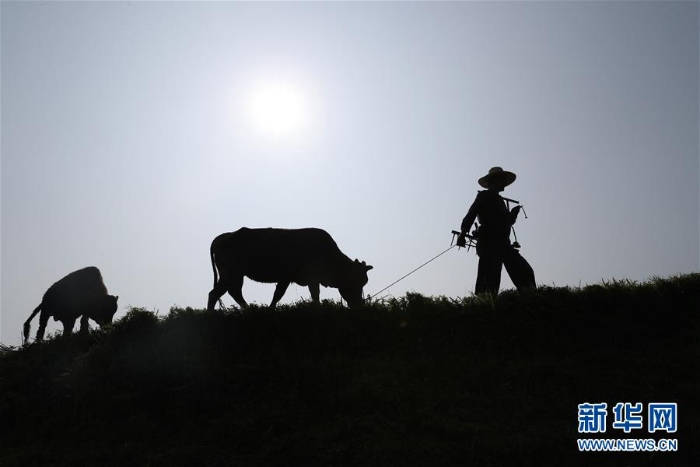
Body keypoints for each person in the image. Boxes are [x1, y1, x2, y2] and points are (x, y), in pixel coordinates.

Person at [457, 166, 533, 295]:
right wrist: (463, 234)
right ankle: (484, 304)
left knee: (524, 270)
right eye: (501, 179)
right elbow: (472, 213)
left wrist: (513, 215)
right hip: (489, 243)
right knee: (490, 278)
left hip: (503, 243)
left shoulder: (499, 200)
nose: (504, 182)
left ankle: (530, 297)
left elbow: (504, 222)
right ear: (493, 181)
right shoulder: (484, 196)